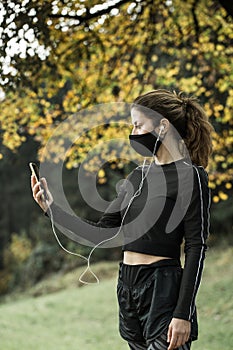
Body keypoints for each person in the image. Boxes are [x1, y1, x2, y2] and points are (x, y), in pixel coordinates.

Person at [31, 89, 213, 350]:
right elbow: (101, 233)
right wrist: (51, 208)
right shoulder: (137, 177)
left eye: (138, 125)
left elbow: (196, 247)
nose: (133, 132)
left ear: (162, 127)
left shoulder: (191, 176)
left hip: (162, 288)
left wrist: (182, 313)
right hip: (127, 287)